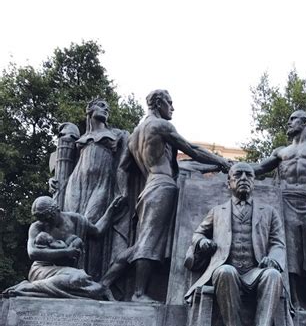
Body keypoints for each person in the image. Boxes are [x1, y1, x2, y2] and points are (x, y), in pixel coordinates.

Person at [115, 89, 232, 302]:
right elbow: (191, 149)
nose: (172, 108)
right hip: (162, 187)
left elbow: (122, 168)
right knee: (150, 241)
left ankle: (106, 282)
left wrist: (124, 192)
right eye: (170, 103)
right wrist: (221, 161)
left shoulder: (134, 136)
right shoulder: (161, 125)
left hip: (148, 188)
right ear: (158, 103)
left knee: (143, 240)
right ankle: (139, 293)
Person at [184, 162, 286, 326]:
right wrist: (201, 242)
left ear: (254, 182)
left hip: (255, 271)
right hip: (226, 268)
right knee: (225, 271)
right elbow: (198, 234)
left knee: (273, 275)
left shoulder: (269, 212)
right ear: (228, 182)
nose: (244, 179)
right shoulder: (217, 211)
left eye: (249, 175)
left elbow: (278, 243)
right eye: (238, 175)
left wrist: (273, 259)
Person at [253, 110, 306, 311]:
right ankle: (294, 300)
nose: (289, 122)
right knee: (290, 252)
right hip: (286, 202)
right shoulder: (280, 152)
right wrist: (230, 166)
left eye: (293, 119)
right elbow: (258, 168)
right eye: (289, 119)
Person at [4, 195, 124, 300]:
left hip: (66, 271)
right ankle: (27, 288)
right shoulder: (37, 227)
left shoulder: (76, 220)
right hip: (42, 269)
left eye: (48, 218)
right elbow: (33, 253)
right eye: (42, 219)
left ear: (57, 210)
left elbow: (98, 231)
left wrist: (111, 210)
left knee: (79, 277)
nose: (46, 222)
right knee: (78, 278)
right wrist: (66, 252)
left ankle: (33, 288)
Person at [62, 99, 130, 280]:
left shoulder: (117, 134)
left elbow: (123, 164)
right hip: (76, 183)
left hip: (101, 184)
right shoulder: (81, 138)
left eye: (107, 107)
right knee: (71, 225)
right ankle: (68, 274)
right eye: (101, 105)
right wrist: (56, 181)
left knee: (92, 226)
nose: (106, 108)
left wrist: (122, 190)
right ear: (90, 109)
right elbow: (68, 165)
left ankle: (89, 278)